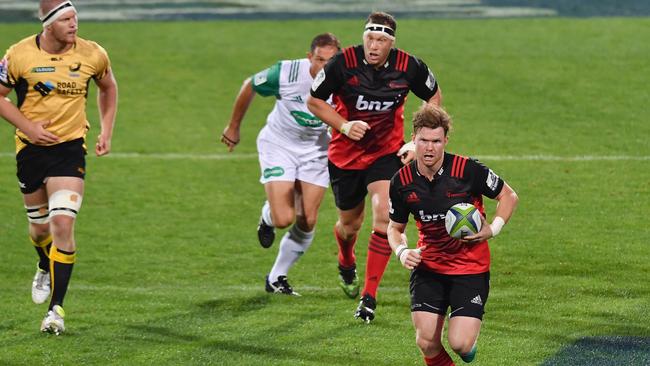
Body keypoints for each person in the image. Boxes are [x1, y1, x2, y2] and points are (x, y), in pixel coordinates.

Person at [307, 11, 442, 322]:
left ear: (391, 43)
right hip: (345, 156)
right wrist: (342, 125)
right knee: (349, 226)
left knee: (384, 216)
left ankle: (369, 297)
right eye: (370, 38)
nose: (374, 45)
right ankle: (345, 258)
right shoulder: (342, 63)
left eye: (381, 40)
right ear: (363, 37)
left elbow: (433, 97)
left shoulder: (410, 66)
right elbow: (314, 101)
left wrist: (415, 140)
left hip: (386, 154)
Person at [0, 0, 118, 335]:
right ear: (47, 24)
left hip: (69, 150)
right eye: (66, 19)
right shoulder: (19, 54)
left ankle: (56, 311)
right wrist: (28, 126)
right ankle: (43, 262)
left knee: (63, 223)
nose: (74, 24)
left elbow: (109, 87)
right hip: (31, 152)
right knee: (40, 231)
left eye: (75, 18)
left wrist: (106, 130)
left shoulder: (93, 54)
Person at [387, 104, 518, 365]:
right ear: (414, 139)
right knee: (426, 341)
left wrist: (492, 229)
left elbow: (508, 196)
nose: (430, 148)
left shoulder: (468, 170)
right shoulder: (401, 182)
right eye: (423, 140)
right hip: (430, 267)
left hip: (470, 268)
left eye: (436, 141)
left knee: (460, 343)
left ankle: (466, 344)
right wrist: (402, 251)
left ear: (445, 140)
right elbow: (394, 228)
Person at [221, 33, 340, 296]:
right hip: (280, 146)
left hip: (317, 151)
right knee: (283, 218)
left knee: (308, 219)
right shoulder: (286, 73)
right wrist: (233, 126)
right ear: (310, 57)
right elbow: (249, 85)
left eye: (330, 62)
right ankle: (267, 216)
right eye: (319, 60)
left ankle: (276, 277)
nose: (324, 67)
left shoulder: (345, 81)